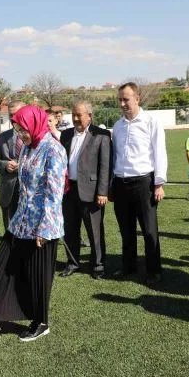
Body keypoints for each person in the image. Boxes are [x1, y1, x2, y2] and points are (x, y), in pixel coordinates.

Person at [0, 105, 67, 341]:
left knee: (38, 276)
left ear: (36, 124)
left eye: (23, 129)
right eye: (17, 129)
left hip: (43, 226)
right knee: (2, 267)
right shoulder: (27, 147)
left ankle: (41, 322)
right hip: (19, 223)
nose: (21, 134)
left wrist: (44, 229)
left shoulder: (54, 149)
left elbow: (54, 194)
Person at [111, 82, 168, 284]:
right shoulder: (117, 126)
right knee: (126, 230)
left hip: (144, 182)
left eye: (126, 99)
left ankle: (154, 270)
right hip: (121, 183)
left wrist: (159, 183)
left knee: (149, 230)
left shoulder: (151, 121)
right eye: (120, 99)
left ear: (137, 98)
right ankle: (129, 267)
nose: (123, 103)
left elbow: (159, 152)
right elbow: (115, 156)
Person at [59, 101, 111, 280]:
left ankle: (98, 265)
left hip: (92, 191)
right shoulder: (65, 135)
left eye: (79, 115)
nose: (75, 118)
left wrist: (103, 192)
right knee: (70, 229)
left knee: (94, 231)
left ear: (89, 115)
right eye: (73, 114)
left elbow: (105, 166)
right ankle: (73, 262)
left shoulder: (101, 135)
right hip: (68, 191)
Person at [0, 100, 25, 229]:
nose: (13, 118)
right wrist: (5, 165)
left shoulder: (34, 136)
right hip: (8, 190)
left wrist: (21, 164)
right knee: (10, 228)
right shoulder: (2, 137)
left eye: (16, 114)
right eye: (10, 115)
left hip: (29, 190)